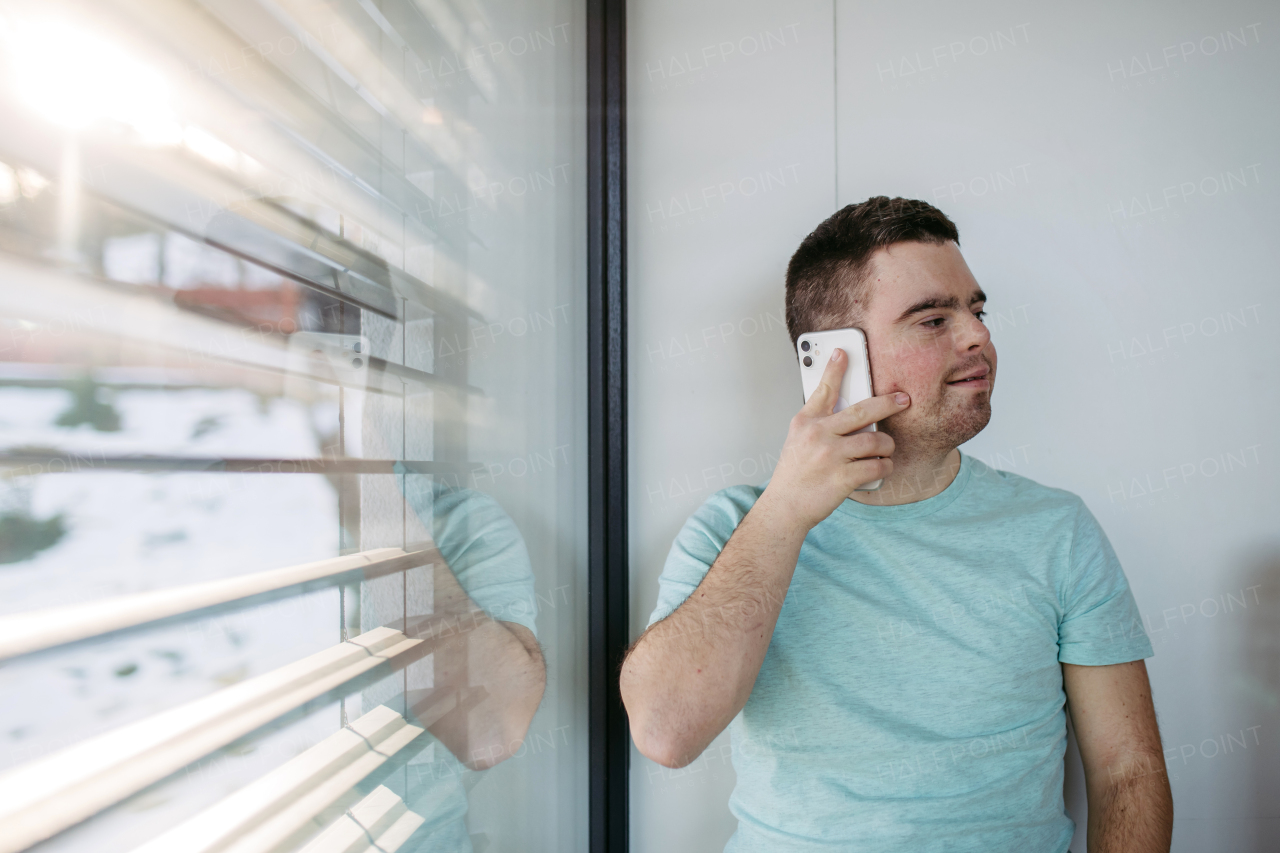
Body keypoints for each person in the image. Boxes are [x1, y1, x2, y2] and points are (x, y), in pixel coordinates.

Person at [620, 197, 1172, 852]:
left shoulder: (1057, 530)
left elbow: (1128, 770)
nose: (977, 336)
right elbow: (665, 733)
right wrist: (788, 509)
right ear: (834, 361)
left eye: (977, 309)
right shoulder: (734, 527)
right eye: (934, 318)